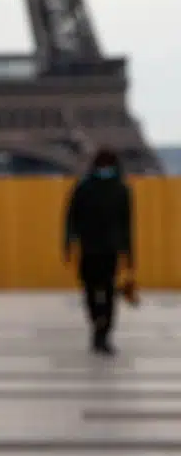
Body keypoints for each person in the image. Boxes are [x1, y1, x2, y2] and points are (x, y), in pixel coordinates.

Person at [64, 148, 134, 355]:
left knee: (102, 290)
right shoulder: (109, 188)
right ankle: (100, 327)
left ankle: (102, 331)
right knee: (96, 290)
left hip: (99, 248)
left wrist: (129, 253)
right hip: (97, 247)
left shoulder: (112, 189)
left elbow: (126, 224)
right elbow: (72, 217)